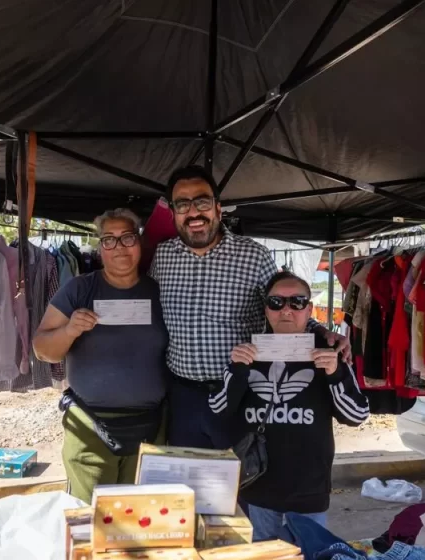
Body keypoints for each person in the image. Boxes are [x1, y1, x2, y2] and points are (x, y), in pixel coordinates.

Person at [151, 165, 346, 448]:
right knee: (189, 481)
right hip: (183, 396)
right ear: (173, 213)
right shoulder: (163, 256)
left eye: (202, 202)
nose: (193, 213)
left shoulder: (254, 255)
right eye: (182, 205)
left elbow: (283, 307)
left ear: (218, 209)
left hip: (240, 391)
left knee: (240, 480)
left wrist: (321, 332)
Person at [209, 272, 370, 542]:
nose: (286, 310)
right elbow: (219, 409)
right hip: (258, 484)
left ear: (309, 309)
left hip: (309, 487)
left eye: (296, 302)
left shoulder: (329, 352)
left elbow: (356, 415)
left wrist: (335, 374)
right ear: (266, 309)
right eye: (276, 302)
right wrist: (237, 370)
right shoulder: (249, 352)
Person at [33, 209, 169, 503]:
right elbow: (42, 349)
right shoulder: (80, 289)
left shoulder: (160, 292)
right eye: (109, 240)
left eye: (127, 238)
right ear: (99, 248)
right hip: (90, 428)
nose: (119, 247)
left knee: (139, 521)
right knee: (89, 523)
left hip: (151, 429)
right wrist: (70, 330)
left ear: (140, 243)